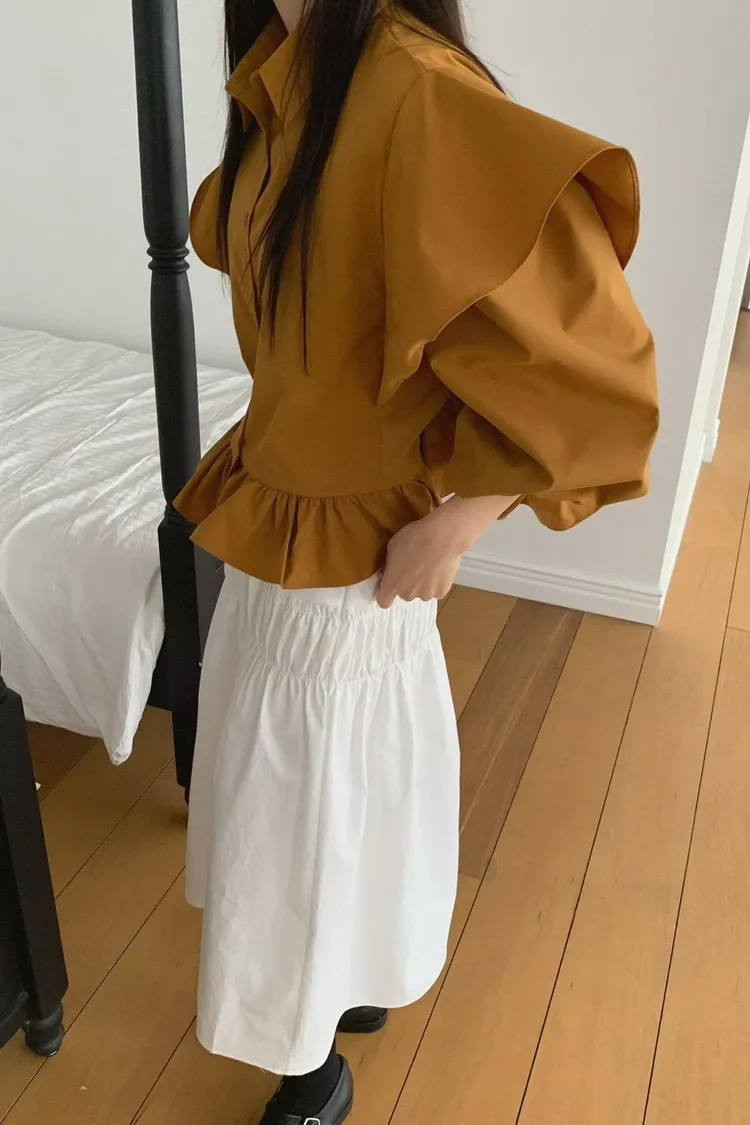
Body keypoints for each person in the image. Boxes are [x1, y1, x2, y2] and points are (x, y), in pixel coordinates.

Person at [175, 0, 659, 1121]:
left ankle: (308, 1062)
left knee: (299, 799)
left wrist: (470, 515)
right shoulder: (289, 73)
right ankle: (347, 980)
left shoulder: (419, 93)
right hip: (285, 496)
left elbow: (593, 359)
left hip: (350, 537)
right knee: (327, 780)